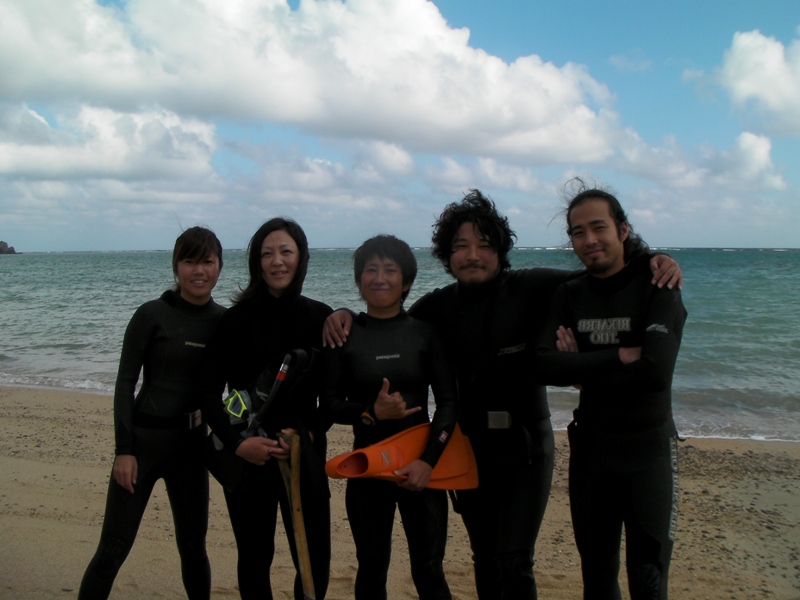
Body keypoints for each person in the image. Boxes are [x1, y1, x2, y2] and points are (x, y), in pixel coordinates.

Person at [324, 190, 683, 600]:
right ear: (447, 255)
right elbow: (388, 316)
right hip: (471, 446)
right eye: (461, 247)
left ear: (500, 250)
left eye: (483, 245)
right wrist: (346, 315)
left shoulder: (533, 286)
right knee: (484, 558)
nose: (472, 255)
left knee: (513, 561)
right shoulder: (435, 308)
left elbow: (600, 273)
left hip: (526, 447)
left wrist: (651, 259)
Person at [536, 183, 686, 599]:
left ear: (623, 229)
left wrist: (581, 371)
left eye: (598, 227)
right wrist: (619, 356)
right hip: (592, 456)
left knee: (648, 580)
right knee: (597, 580)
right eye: (578, 232)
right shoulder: (570, 293)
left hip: (649, 453)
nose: (589, 240)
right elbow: (544, 363)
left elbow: (655, 373)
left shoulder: (658, 282)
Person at [79, 227, 225, 600]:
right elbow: (125, 383)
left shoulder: (225, 323)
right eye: (189, 261)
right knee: (113, 548)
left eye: (207, 261)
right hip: (142, 445)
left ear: (219, 267)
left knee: (194, 549)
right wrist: (123, 450)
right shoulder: (151, 315)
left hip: (192, 448)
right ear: (176, 266)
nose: (198, 270)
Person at [321, 234, 459, 600]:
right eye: (370, 269)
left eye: (390, 270)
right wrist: (370, 412)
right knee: (371, 565)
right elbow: (330, 405)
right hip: (368, 469)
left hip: (421, 468)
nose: (379, 277)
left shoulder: (424, 333)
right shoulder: (344, 336)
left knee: (429, 569)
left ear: (407, 282)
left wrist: (429, 462)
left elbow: (448, 402)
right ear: (358, 279)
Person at [202, 218, 332, 600]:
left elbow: (334, 396)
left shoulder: (321, 318)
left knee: (314, 562)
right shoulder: (234, 321)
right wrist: (238, 444)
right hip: (248, 455)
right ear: (257, 263)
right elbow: (208, 393)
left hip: (302, 454)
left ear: (301, 258)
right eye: (267, 253)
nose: (277, 261)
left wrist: (309, 432)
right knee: (255, 557)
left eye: (286, 252)